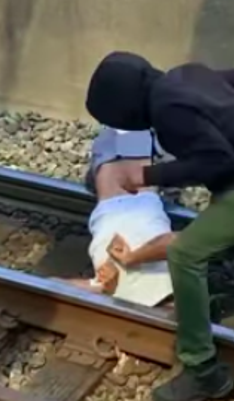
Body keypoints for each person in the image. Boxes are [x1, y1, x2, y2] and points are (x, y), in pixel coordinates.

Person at [84, 51, 234, 401]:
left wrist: (148, 174)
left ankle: (204, 373)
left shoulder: (168, 114)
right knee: (219, 207)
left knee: (185, 254)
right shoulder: (186, 75)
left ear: (128, 112)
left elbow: (215, 160)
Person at [54, 126, 177, 309]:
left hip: (125, 199)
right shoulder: (178, 285)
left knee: (124, 143)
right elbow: (178, 242)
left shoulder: (115, 292)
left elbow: (51, 285)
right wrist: (133, 259)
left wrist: (106, 287)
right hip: (134, 198)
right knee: (130, 143)